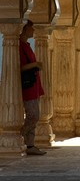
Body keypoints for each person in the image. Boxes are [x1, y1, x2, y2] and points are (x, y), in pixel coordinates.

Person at [19, 20, 46, 156]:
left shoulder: (26, 46)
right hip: (26, 87)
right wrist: (35, 64)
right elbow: (19, 68)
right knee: (33, 116)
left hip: (33, 85)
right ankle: (19, 136)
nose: (33, 31)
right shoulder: (18, 46)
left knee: (34, 116)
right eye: (31, 28)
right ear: (24, 29)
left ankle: (30, 145)